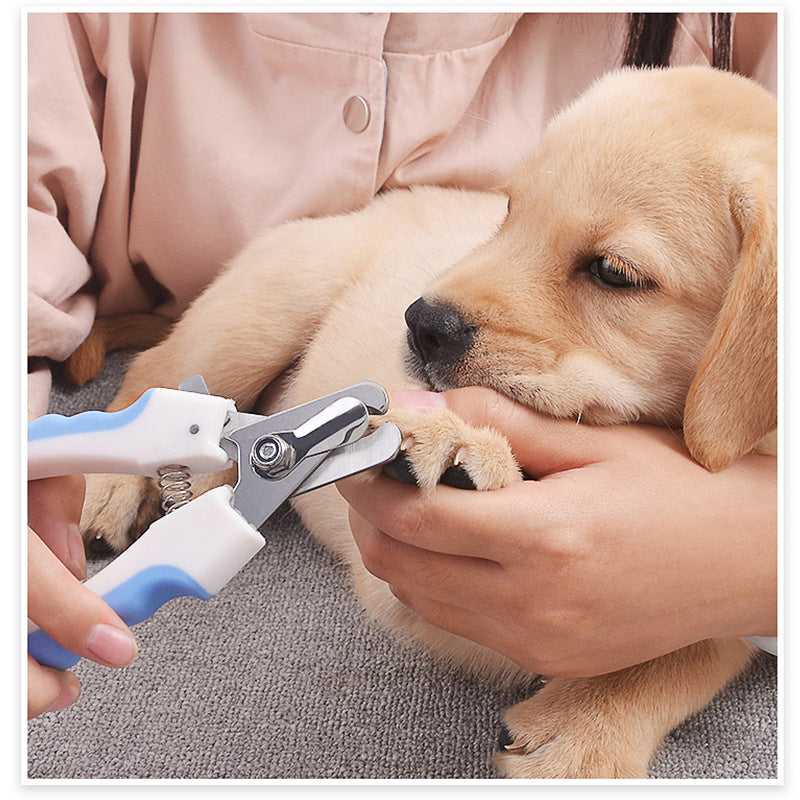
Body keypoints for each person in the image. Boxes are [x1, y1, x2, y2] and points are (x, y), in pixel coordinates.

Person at [27, 11, 778, 716]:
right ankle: (155, 422)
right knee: (302, 269)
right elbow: (398, 580)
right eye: (510, 211)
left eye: (612, 272)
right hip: (345, 272)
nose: (437, 306)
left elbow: (725, 620)